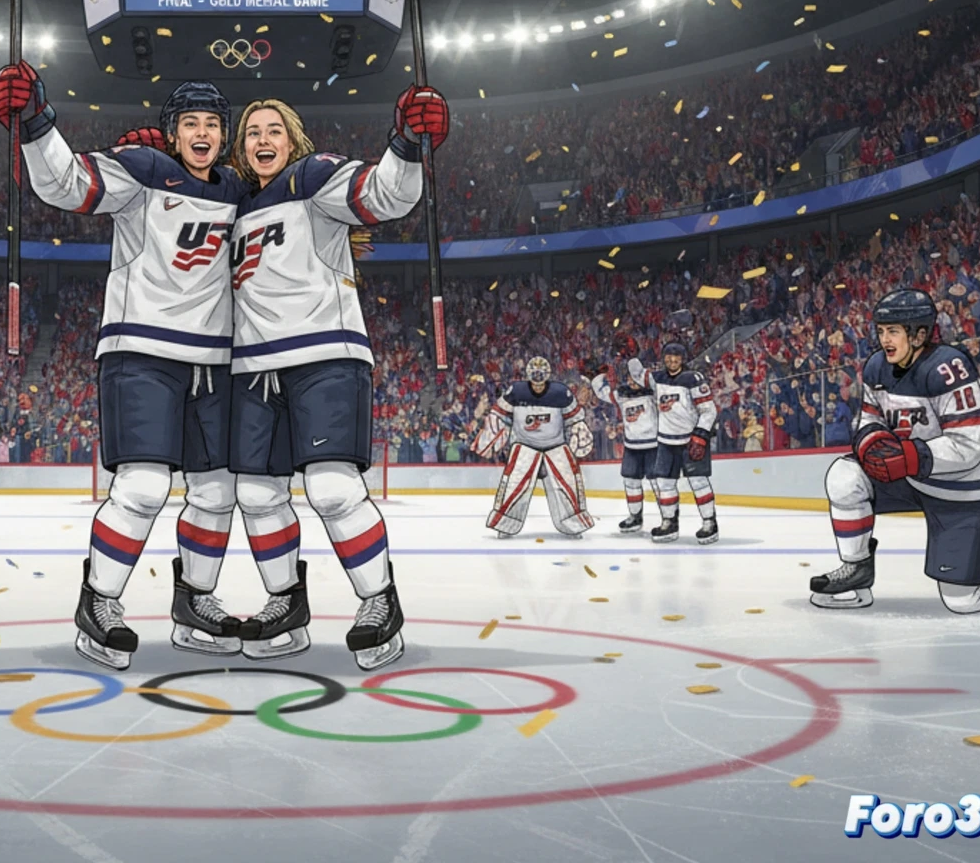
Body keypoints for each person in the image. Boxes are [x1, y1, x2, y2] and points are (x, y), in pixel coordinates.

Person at [0, 65, 249, 670]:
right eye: (190, 122)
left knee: (216, 491)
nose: (203, 132)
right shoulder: (141, 171)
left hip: (215, 360)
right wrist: (36, 121)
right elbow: (65, 184)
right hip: (141, 350)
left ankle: (195, 603)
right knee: (142, 487)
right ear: (172, 131)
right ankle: (99, 602)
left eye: (214, 123)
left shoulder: (241, 189)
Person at [224, 86, 446, 671]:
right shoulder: (230, 207)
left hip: (325, 352)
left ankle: (379, 601)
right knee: (255, 493)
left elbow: (385, 194)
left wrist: (406, 143)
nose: (262, 139)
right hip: (251, 368)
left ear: (293, 139)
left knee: (331, 489)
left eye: (273, 129)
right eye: (251, 132)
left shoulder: (316, 177)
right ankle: (286, 606)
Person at [811, 290, 980, 614]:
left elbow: (969, 445)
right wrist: (872, 440)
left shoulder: (949, 366)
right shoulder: (877, 366)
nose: (885, 339)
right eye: (881, 331)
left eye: (893, 331)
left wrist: (908, 457)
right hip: (913, 476)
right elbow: (869, 416)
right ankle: (857, 570)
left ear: (920, 333)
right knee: (844, 475)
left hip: (964, 486)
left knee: (963, 600)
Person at [474, 356, 595, 538]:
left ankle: (573, 524)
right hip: (525, 446)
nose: (538, 383)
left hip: (556, 446)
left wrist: (579, 434)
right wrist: (487, 441)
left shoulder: (561, 392)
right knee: (514, 484)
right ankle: (506, 523)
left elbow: (574, 419)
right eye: (535, 377)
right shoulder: (516, 391)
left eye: (541, 377)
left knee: (568, 484)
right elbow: (499, 416)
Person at [649, 341, 721, 545]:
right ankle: (669, 523)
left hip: (690, 440)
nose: (672, 360)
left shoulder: (693, 378)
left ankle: (709, 523)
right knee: (665, 483)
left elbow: (709, 409)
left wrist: (700, 435)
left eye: (676, 357)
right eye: (668, 356)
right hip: (666, 441)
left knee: (698, 481)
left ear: (683, 359)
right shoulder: (657, 379)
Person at [590, 356, 658, 533]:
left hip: (654, 446)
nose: (631, 381)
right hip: (632, 447)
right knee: (631, 482)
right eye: (629, 378)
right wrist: (599, 376)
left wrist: (638, 369)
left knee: (660, 484)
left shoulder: (653, 393)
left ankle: (668, 518)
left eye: (635, 378)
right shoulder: (622, 395)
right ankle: (635, 517)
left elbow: (654, 381)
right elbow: (602, 392)